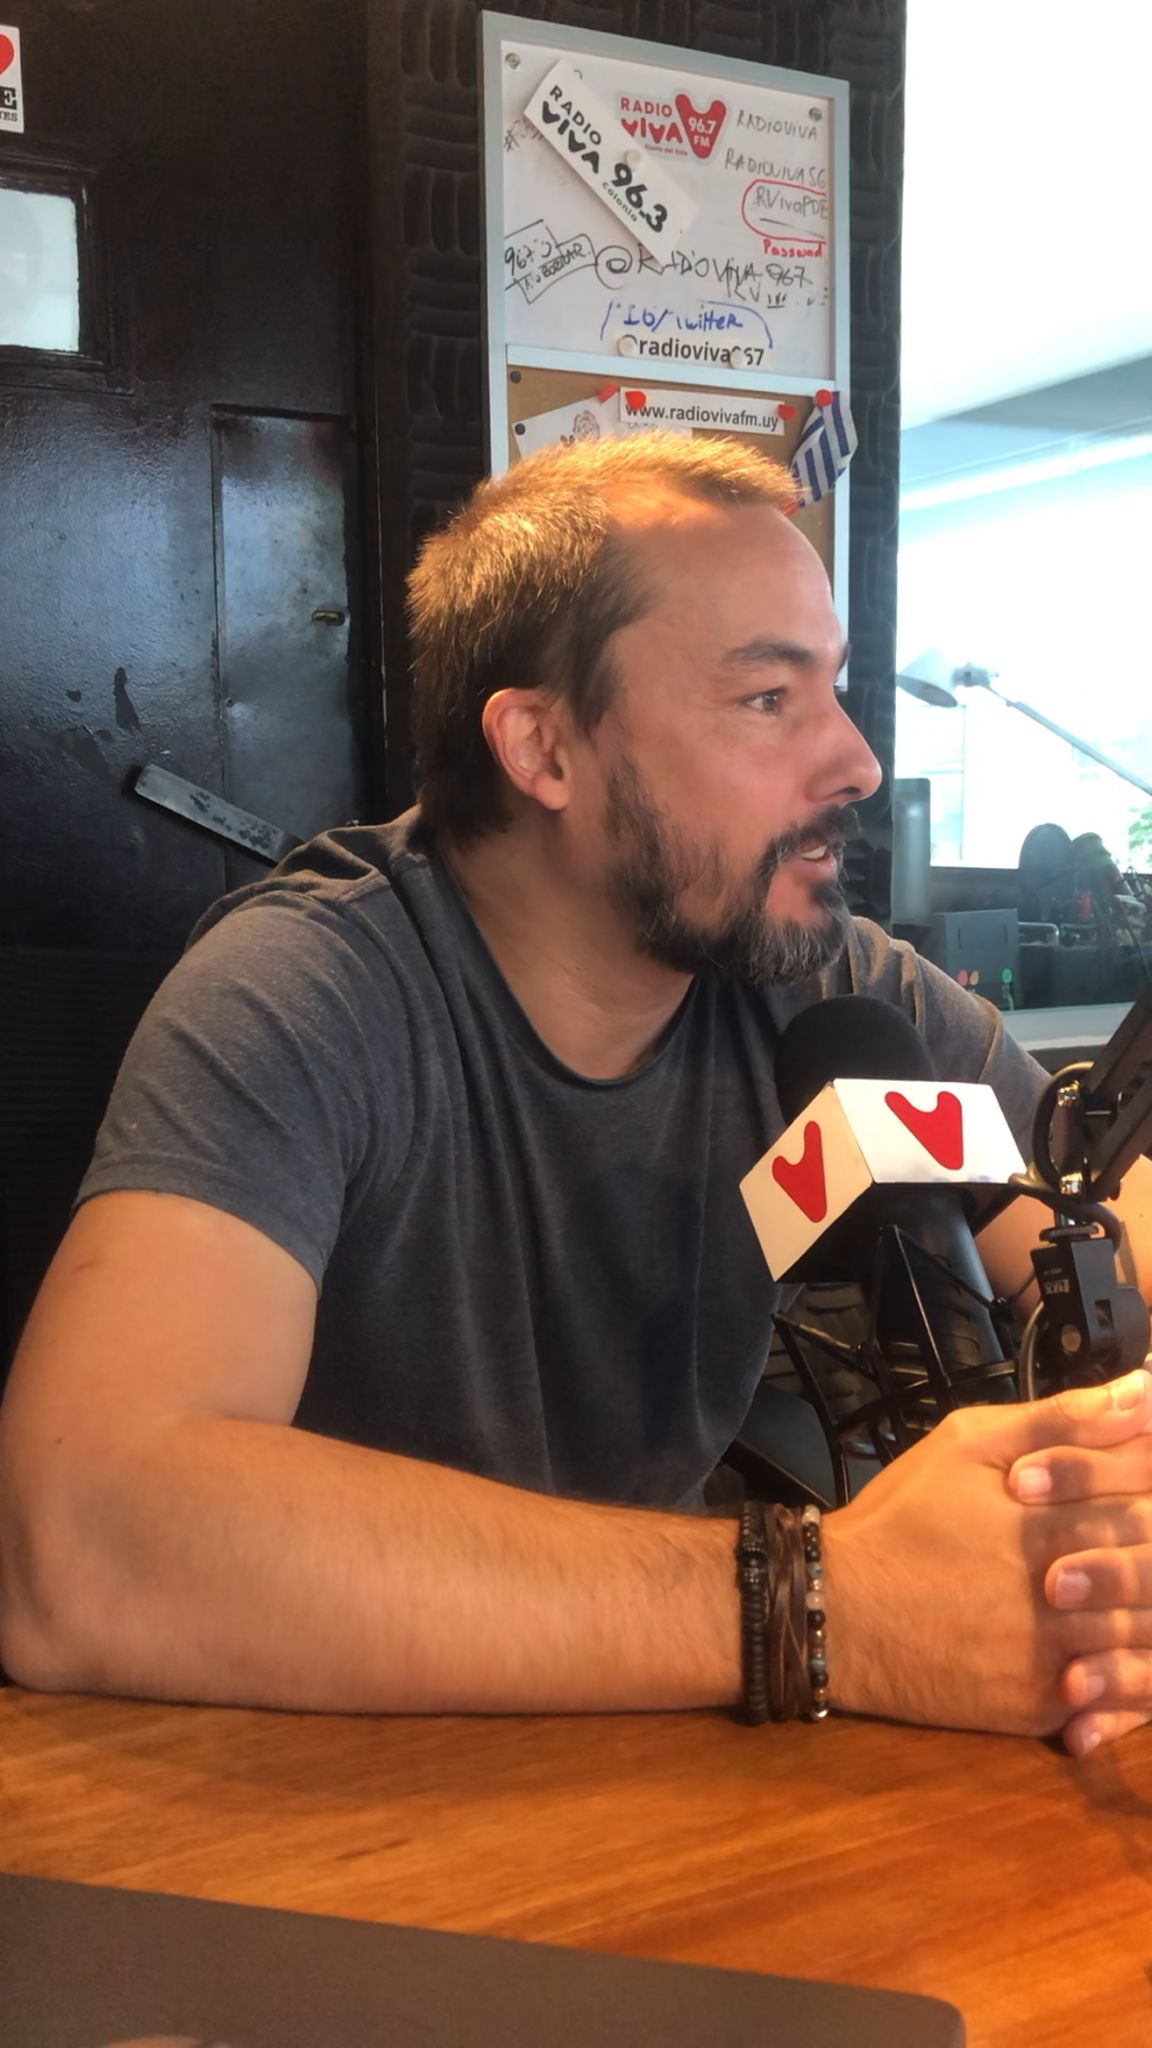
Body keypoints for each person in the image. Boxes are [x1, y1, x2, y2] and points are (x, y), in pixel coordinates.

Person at [3, 433, 1152, 1756]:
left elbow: (1107, 1239)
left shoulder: (827, 988)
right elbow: (78, 1537)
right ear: (543, 747)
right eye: (766, 699)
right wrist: (827, 1599)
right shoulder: (308, 992)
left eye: (832, 689)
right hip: (333, 1789)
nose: (856, 762)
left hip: (679, 1756)